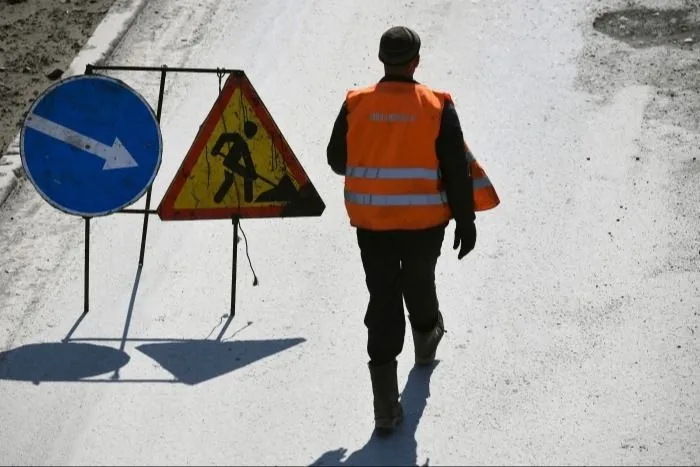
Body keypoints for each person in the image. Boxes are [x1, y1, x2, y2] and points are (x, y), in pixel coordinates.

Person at [326, 25, 478, 435]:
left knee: (383, 298)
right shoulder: (436, 105)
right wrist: (466, 220)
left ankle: (384, 405)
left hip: (372, 223)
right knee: (419, 281)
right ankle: (426, 338)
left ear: (382, 60)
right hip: (423, 223)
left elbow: (336, 160)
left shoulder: (356, 103)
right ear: (416, 62)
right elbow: (456, 169)